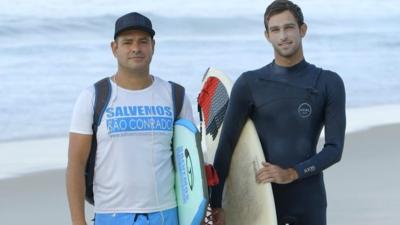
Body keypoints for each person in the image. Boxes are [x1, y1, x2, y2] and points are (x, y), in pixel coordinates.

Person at [209, 1, 346, 225]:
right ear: (267, 35)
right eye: (275, 30)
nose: (283, 35)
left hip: (308, 201)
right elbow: (225, 147)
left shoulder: (328, 83)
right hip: (261, 202)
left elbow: (334, 150)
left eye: (289, 27)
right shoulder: (250, 83)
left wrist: (292, 173)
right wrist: (217, 205)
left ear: (303, 30)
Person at [66, 12, 194, 225]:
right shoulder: (93, 97)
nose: (136, 48)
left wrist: (196, 211)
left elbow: (190, 163)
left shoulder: (175, 96)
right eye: (127, 42)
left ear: (153, 46)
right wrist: (78, 222)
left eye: (143, 41)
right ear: (114, 48)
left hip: (167, 213)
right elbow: (76, 165)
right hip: (112, 214)